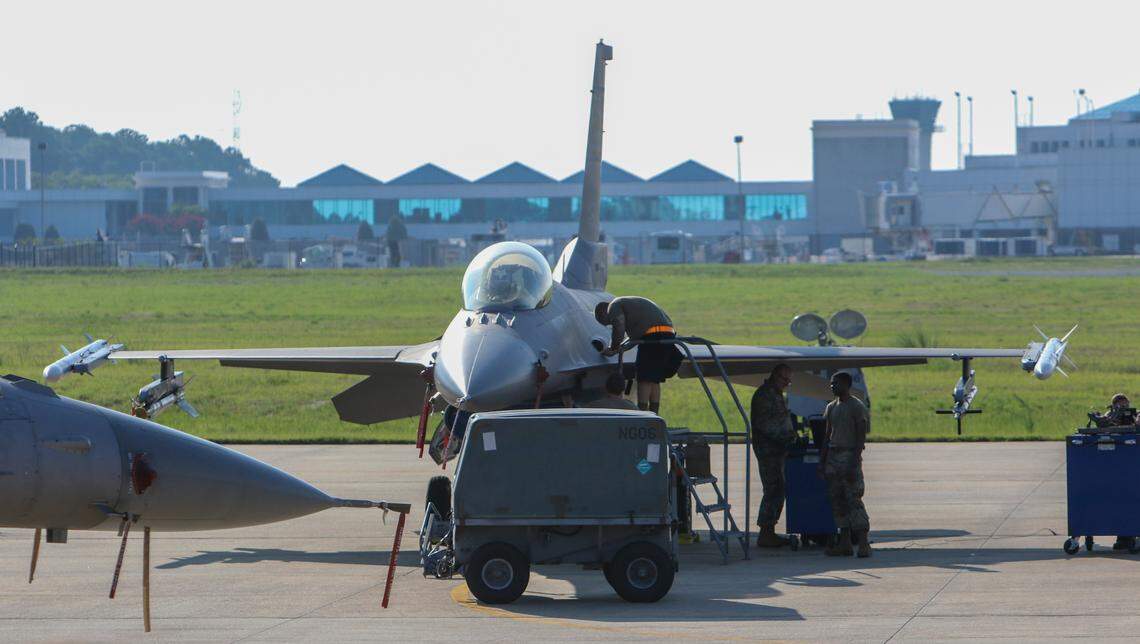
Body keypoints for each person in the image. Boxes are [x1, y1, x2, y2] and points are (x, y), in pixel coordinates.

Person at [595, 296, 682, 413]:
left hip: (652, 337)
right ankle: (654, 414)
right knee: (654, 379)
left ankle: (642, 414)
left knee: (644, 378)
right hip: (667, 334)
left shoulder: (614, 306)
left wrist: (613, 347)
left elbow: (619, 327)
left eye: (608, 322)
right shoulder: (631, 306)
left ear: (604, 313)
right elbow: (632, 339)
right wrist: (619, 349)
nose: (610, 323)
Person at [819, 371, 871, 558]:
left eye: (836, 384)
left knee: (854, 500)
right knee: (837, 501)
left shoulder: (856, 407)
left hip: (849, 456)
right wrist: (822, 461)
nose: (832, 387)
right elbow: (827, 435)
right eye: (832, 384)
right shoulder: (831, 407)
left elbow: (860, 436)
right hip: (834, 457)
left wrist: (854, 461)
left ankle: (864, 543)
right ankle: (845, 543)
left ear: (846, 385)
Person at [750, 364, 796, 548]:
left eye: (789, 380)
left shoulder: (774, 394)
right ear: (775, 376)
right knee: (773, 489)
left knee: (778, 489)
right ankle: (766, 532)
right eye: (785, 379)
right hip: (769, 450)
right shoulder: (764, 395)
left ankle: (769, 530)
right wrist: (786, 438)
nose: (787, 383)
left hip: (777, 450)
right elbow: (765, 424)